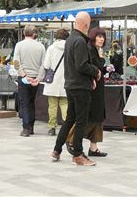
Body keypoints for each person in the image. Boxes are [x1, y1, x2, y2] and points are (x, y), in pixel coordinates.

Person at [51, 12, 100, 166]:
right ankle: (78, 154)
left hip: (71, 85)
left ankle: (56, 150)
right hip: (79, 87)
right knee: (81, 121)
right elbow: (81, 65)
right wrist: (95, 72)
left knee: (69, 120)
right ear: (86, 24)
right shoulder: (79, 41)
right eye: (90, 23)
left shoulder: (70, 39)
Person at [66, 27, 109, 157]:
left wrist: (105, 68)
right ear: (93, 36)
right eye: (99, 36)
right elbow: (89, 67)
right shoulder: (90, 49)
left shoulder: (96, 50)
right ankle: (71, 139)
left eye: (103, 37)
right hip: (91, 88)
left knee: (97, 117)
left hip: (98, 87)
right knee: (87, 117)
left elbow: (98, 68)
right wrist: (101, 61)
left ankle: (93, 147)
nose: (101, 39)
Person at [33, 29, 69, 136]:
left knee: (52, 106)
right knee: (65, 104)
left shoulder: (51, 48)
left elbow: (46, 65)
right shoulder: (69, 48)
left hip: (52, 81)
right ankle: (67, 126)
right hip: (66, 80)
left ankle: (52, 128)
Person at [14, 25, 46, 137]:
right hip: (35, 78)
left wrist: (24, 75)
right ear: (34, 34)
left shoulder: (19, 45)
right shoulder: (41, 46)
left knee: (24, 102)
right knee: (32, 102)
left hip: (24, 78)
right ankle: (31, 126)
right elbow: (44, 64)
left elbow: (16, 62)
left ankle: (26, 128)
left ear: (24, 33)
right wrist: (38, 78)